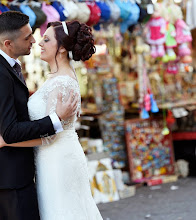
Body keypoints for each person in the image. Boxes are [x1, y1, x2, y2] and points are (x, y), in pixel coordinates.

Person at [0, 19, 103, 219]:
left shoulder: (62, 83)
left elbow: (50, 136)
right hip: (50, 159)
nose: (38, 42)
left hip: (57, 160)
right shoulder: (56, 79)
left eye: (46, 40)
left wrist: (5, 141)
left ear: (62, 48)